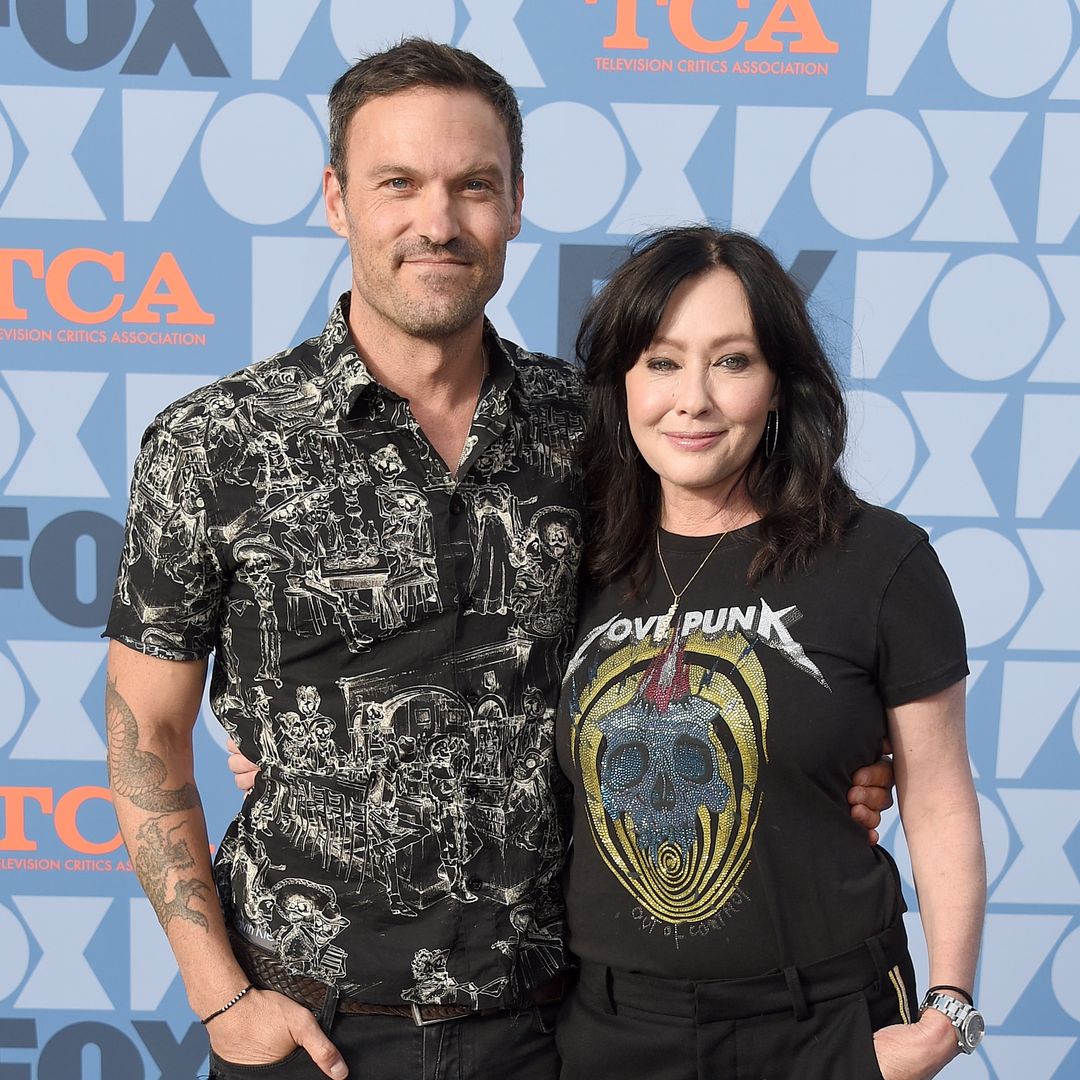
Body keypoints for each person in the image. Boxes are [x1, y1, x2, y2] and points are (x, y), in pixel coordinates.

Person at [104, 38, 894, 1080]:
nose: (437, 221)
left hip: (560, 1023)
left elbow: (724, 607)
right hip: (311, 1025)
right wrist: (222, 1000)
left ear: (516, 202)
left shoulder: (600, 428)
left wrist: (835, 750)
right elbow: (145, 730)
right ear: (337, 199)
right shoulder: (213, 445)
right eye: (398, 184)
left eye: (473, 185)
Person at [554, 225, 985, 1080]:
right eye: (662, 360)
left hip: (823, 1023)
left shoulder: (879, 561)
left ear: (780, 383)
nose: (694, 400)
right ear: (622, 383)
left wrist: (946, 1010)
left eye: (734, 361)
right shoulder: (566, 561)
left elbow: (938, 800)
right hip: (609, 1030)